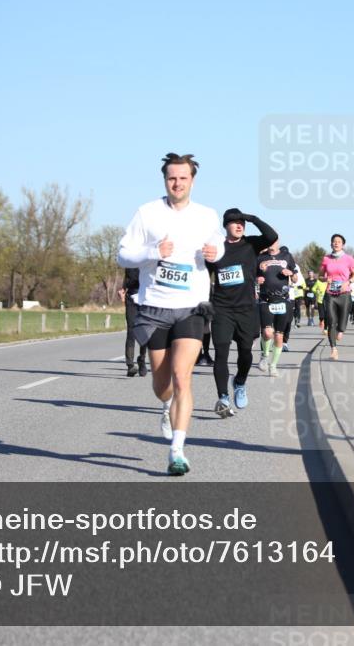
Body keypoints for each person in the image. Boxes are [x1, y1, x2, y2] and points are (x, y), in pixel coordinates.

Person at [117, 153, 225, 475]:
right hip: (154, 308)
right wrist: (153, 252)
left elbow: (219, 245)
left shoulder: (206, 215)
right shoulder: (147, 213)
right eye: (171, 178)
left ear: (192, 180)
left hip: (192, 306)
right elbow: (123, 254)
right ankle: (166, 407)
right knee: (162, 385)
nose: (177, 183)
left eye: (183, 178)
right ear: (165, 180)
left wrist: (214, 252)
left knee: (182, 377)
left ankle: (177, 450)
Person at [206, 208, 277, 418]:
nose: (239, 226)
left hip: (246, 309)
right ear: (225, 226)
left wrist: (252, 218)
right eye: (234, 222)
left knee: (245, 353)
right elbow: (203, 275)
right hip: (222, 308)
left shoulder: (251, 244)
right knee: (221, 353)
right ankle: (223, 398)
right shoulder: (216, 248)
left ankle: (239, 382)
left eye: (241, 223)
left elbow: (271, 236)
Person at [256, 241, 298, 377]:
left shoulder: (287, 256)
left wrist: (291, 273)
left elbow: (296, 278)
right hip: (265, 299)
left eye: (273, 240)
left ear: (278, 242)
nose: (270, 243)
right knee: (268, 333)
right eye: (268, 240)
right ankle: (264, 356)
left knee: (279, 336)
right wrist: (257, 279)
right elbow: (251, 275)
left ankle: (273, 366)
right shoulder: (260, 257)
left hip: (283, 300)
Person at [319, 234, 354, 360]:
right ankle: (333, 349)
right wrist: (326, 278)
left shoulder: (349, 259)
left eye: (339, 242)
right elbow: (320, 276)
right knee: (331, 321)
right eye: (334, 242)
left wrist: (347, 282)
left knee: (342, 323)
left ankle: (341, 330)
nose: (336, 243)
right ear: (331, 244)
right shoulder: (326, 259)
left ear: (343, 245)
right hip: (330, 293)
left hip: (344, 293)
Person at [120, 268, 148, 377]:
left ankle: (142, 359)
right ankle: (130, 365)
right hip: (131, 298)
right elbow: (127, 277)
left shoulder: (148, 258)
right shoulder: (130, 260)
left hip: (145, 298)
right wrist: (122, 288)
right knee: (131, 332)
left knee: (144, 332)